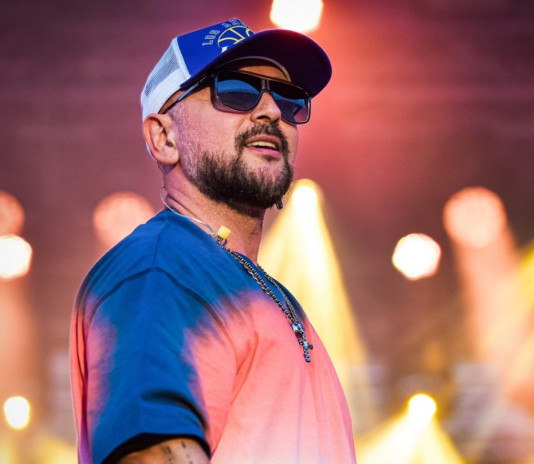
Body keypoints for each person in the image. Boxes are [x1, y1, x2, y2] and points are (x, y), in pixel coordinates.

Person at [70, 18, 356, 464]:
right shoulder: (161, 269)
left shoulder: (249, 282)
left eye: (289, 98)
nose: (271, 111)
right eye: (236, 91)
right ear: (164, 138)